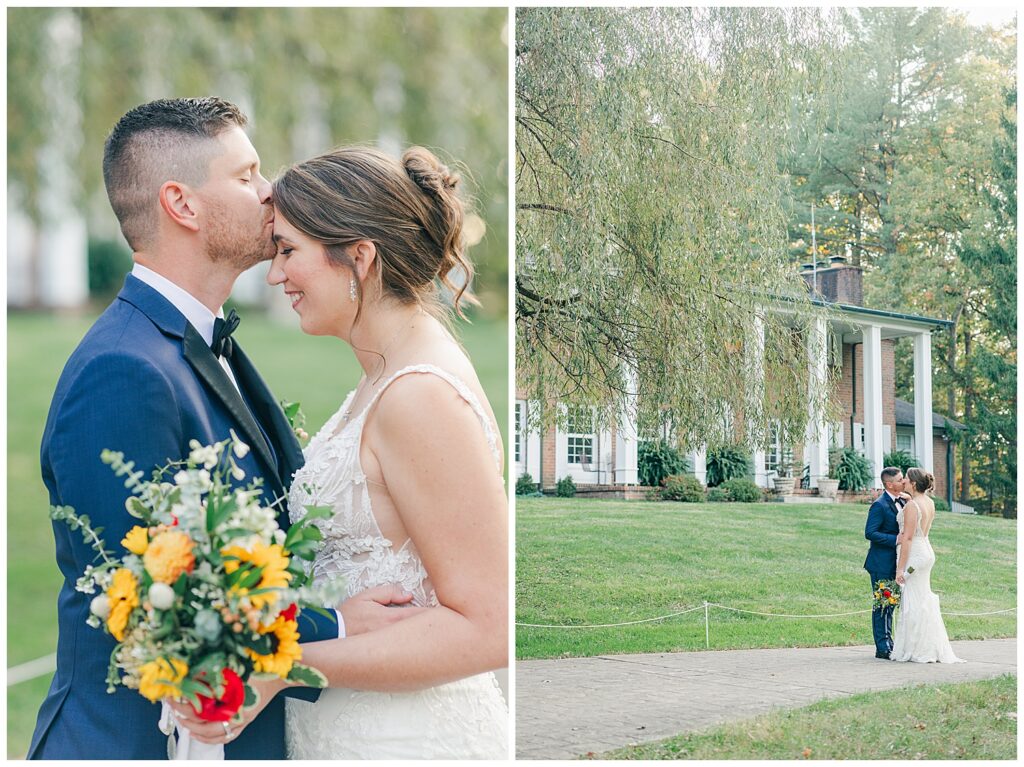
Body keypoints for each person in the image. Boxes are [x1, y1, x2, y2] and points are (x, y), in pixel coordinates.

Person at [29, 98, 414, 760]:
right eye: (246, 175)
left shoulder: (198, 344)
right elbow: (153, 609)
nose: (270, 192)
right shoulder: (123, 371)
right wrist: (341, 625)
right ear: (182, 204)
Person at [174, 146, 509, 758]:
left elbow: (489, 628)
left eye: (288, 251)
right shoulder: (381, 375)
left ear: (359, 256)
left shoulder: (419, 396)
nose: (275, 275)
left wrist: (287, 665)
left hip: (408, 739)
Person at [890, 468, 964, 663]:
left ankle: (917, 649)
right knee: (922, 599)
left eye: (906, 478)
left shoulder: (912, 506)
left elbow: (907, 538)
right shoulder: (928, 502)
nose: (903, 480)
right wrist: (908, 499)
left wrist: (900, 568)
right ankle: (928, 645)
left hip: (915, 556)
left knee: (913, 602)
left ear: (913, 483)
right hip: (926, 552)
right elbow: (921, 529)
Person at [863, 466, 907, 659]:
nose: (903, 481)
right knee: (882, 604)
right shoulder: (879, 505)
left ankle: (890, 642)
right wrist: (895, 539)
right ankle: (882, 647)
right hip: (881, 563)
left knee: (891, 604)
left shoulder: (902, 501)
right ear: (889, 484)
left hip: (894, 563)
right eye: (899, 479)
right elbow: (870, 532)